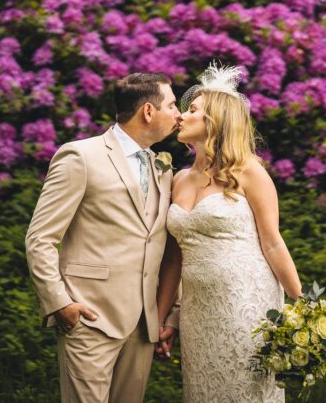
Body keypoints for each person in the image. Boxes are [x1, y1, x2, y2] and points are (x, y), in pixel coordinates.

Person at [25, 72, 181, 403]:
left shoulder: (162, 168)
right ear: (148, 112)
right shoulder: (80, 156)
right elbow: (40, 238)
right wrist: (60, 303)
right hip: (90, 318)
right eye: (172, 105)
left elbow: (166, 245)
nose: (179, 114)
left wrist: (168, 313)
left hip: (142, 326)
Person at [155, 63, 303, 402]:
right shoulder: (178, 180)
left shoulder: (249, 171)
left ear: (214, 121)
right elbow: (173, 259)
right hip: (197, 311)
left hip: (245, 304)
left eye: (192, 110)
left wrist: (304, 304)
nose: (181, 116)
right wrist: (163, 319)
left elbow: (273, 242)